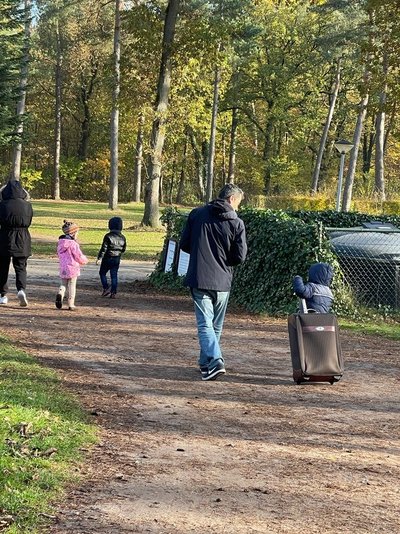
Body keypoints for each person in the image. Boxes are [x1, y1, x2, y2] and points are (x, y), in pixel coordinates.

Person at [179, 183, 247, 381]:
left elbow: (184, 244)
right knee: (215, 326)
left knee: (204, 324)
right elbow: (240, 256)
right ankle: (206, 363)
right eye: (238, 203)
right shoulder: (237, 223)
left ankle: (215, 360)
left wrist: (201, 254)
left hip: (199, 278)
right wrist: (224, 262)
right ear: (232, 200)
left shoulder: (196, 214)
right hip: (223, 280)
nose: (238, 208)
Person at [0, 180, 33, 307]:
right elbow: (29, 221)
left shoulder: (2, 205)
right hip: (23, 237)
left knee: (2, 267)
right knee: (21, 267)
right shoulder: (27, 206)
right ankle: (21, 290)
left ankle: (3, 295)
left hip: (5, 236)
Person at [55, 220, 88, 311]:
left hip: (63, 267)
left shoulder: (60, 243)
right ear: (73, 233)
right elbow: (78, 256)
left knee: (63, 284)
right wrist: (84, 261)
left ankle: (60, 294)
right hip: (73, 267)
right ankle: (71, 303)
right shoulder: (73, 244)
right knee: (72, 285)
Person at [96, 216, 126, 298]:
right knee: (114, 275)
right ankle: (114, 292)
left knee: (102, 273)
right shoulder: (122, 237)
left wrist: (99, 258)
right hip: (117, 258)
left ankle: (106, 288)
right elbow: (123, 249)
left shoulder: (108, 236)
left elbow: (104, 248)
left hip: (107, 257)